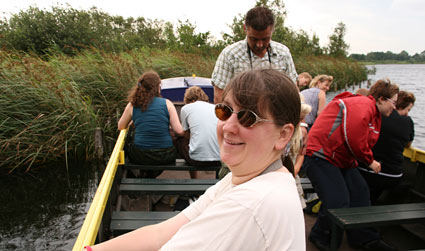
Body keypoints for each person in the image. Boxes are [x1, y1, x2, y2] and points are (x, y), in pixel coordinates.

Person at [86, 69, 305, 251]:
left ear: (283, 135)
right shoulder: (254, 178)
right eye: (224, 111)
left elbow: (124, 127)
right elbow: (160, 234)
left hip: (148, 155)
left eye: (248, 118)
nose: (228, 126)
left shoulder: (248, 205)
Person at [303, 78, 399, 250]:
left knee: (360, 193)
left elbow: (362, 140)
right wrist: (369, 161)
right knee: (338, 201)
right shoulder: (363, 104)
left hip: (341, 160)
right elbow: (353, 136)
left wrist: (365, 158)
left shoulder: (375, 114)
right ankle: (321, 236)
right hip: (320, 156)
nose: (395, 107)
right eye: (393, 102)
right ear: (382, 99)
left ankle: (364, 238)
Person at [211, 6, 298, 104]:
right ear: (245, 28)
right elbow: (219, 98)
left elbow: (293, 93)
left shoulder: (283, 53)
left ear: (272, 30)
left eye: (265, 39)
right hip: (241, 116)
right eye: (254, 39)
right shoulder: (230, 55)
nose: (259, 44)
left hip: (276, 116)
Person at [118, 71, 184, 178]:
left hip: (140, 156)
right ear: (158, 87)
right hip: (165, 156)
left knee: (130, 145)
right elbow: (179, 131)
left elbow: (121, 126)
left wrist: (134, 120)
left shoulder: (132, 105)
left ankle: (145, 175)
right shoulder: (167, 103)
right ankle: (150, 175)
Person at [359, 90, 415, 204]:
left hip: (365, 170)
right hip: (392, 175)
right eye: (407, 110)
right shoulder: (407, 122)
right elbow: (408, 144)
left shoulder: (376, 115)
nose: (407, 114)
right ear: (401, 107)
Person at [175, 86, 221, 179]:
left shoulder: (186, 108)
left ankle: (193, 180)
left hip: (197, 160)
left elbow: (185, 134)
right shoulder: (215, 108)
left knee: (181, 140)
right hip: (219, 159)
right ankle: (217, 181)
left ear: (189, 99)